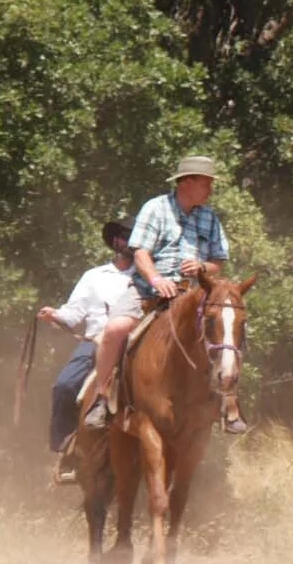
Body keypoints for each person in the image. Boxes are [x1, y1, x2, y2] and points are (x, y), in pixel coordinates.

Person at [87, 155, 236, 431]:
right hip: (148, 293)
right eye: (207, 183)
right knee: (115, 330)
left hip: (192, 298)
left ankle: (228, 402)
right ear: (187, 182)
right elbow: (140, 252)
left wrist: (203, 266)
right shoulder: (155, 209)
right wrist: (156, 279)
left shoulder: (210, 217)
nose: (211, 189)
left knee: (228, 331)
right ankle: (101, 397)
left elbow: (218, 260)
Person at [38, 221, 139, 482]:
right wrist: (56, 314)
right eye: (127, 236)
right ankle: (67, 451)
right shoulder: (94, 276)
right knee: (65, 386)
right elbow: (74, 314)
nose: (133, 241)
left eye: (137, 236)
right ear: (116, 242)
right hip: (96, 340)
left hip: (137, 340)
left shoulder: (147, 275)